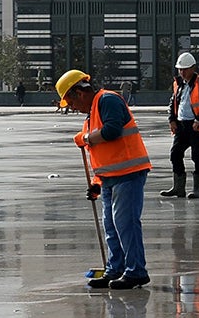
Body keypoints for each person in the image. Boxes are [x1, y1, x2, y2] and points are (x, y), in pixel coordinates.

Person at [58, 69, 152, 290]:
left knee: (125, 224)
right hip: (109, 178)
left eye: (70, 103)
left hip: (128, 174)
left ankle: (136, 271)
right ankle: (115, 269)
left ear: (79, 93)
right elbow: (101, 156)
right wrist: (97, 184)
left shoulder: (107, 100)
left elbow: (112, 132)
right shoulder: (91, 115)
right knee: (111, 225)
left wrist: (85, 138)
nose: (72, 108)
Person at [159, 51, 199, 200]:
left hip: (196, 126)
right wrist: (171, 119)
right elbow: (173, 103)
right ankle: (179, 188)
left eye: (184, 69)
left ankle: (197, 189)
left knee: (197, 155)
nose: (182, 72)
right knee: (175, 154)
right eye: (180, 69)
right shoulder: (178, 83)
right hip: (181, 125)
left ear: (192, 68)